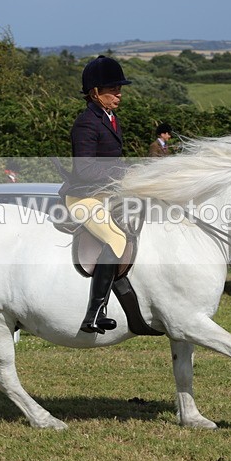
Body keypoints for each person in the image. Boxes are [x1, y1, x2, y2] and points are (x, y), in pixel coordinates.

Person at [59, 55, 132, 334]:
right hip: (82, 198)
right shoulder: (86, 123)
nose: (119, 93)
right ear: (95, 93)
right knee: (116, 237)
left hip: (105, 195)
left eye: (119, 88)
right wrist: (121, 174)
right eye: (112, 89)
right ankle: (94, 313)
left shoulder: (111, 119)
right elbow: (85, 169)